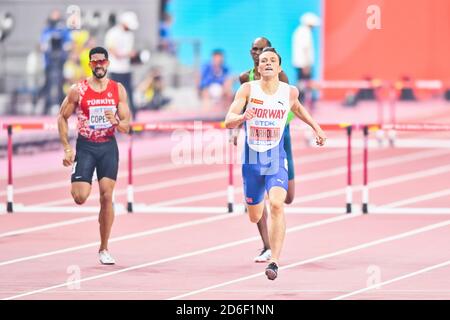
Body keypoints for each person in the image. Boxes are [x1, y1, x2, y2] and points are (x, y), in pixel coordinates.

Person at [225, 47, 326, 280]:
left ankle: (274, 261)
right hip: (252, 160)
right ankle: (253, 201)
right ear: (258, 68)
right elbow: (228, 120)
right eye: (264, 61)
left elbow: (298, 108)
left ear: (279, 68)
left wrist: (316, 128)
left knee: (278, 204)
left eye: (272, 60)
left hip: (275, 158)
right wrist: (241, 118)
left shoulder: (289, 91)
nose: (268, 63)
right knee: (254, 215)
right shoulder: (247, 89)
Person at [57, 47, 131, 265]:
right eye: (94, 62)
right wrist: (67, 148)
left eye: (102, 62)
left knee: (107, 196)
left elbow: (127, 126)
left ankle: (104, 248)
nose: (99, 65)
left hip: (108, 146)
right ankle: (79, 174)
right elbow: (62, 117)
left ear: (107, 63)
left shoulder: (118, 90)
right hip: (86, 146)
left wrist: (117, 121)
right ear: (90, 64)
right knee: (80, 197)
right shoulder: (78, 90)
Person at [233, 37, 297, 263]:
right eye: (254, 50)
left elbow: (293, 105)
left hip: (281, 137)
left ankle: (271, 237)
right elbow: (238, 108)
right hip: (255, 142)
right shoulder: (245, 79)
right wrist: (236, 128)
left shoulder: (281, 76)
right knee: (263, 202)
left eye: (261, 50)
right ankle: (267, 246)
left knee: (287, 198)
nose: (256, 52)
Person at [104, 11, 139, 119]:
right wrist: (128, 54)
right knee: (115, 96)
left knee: (130, 94)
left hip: (126, 69)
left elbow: (128, 51)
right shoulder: (112, 33)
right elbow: (112, 50)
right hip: (115, 69)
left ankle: (133, 118)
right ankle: (112, 119)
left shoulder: (130, 35)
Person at [291, 12, 321, 107]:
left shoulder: (299, 31)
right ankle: (302, 104)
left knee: (301, 84)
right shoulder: (305, 32)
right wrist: (306, 65)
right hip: (304, 64)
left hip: (300, 63)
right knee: (305, 85)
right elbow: (305, 50)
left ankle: (300, 104)